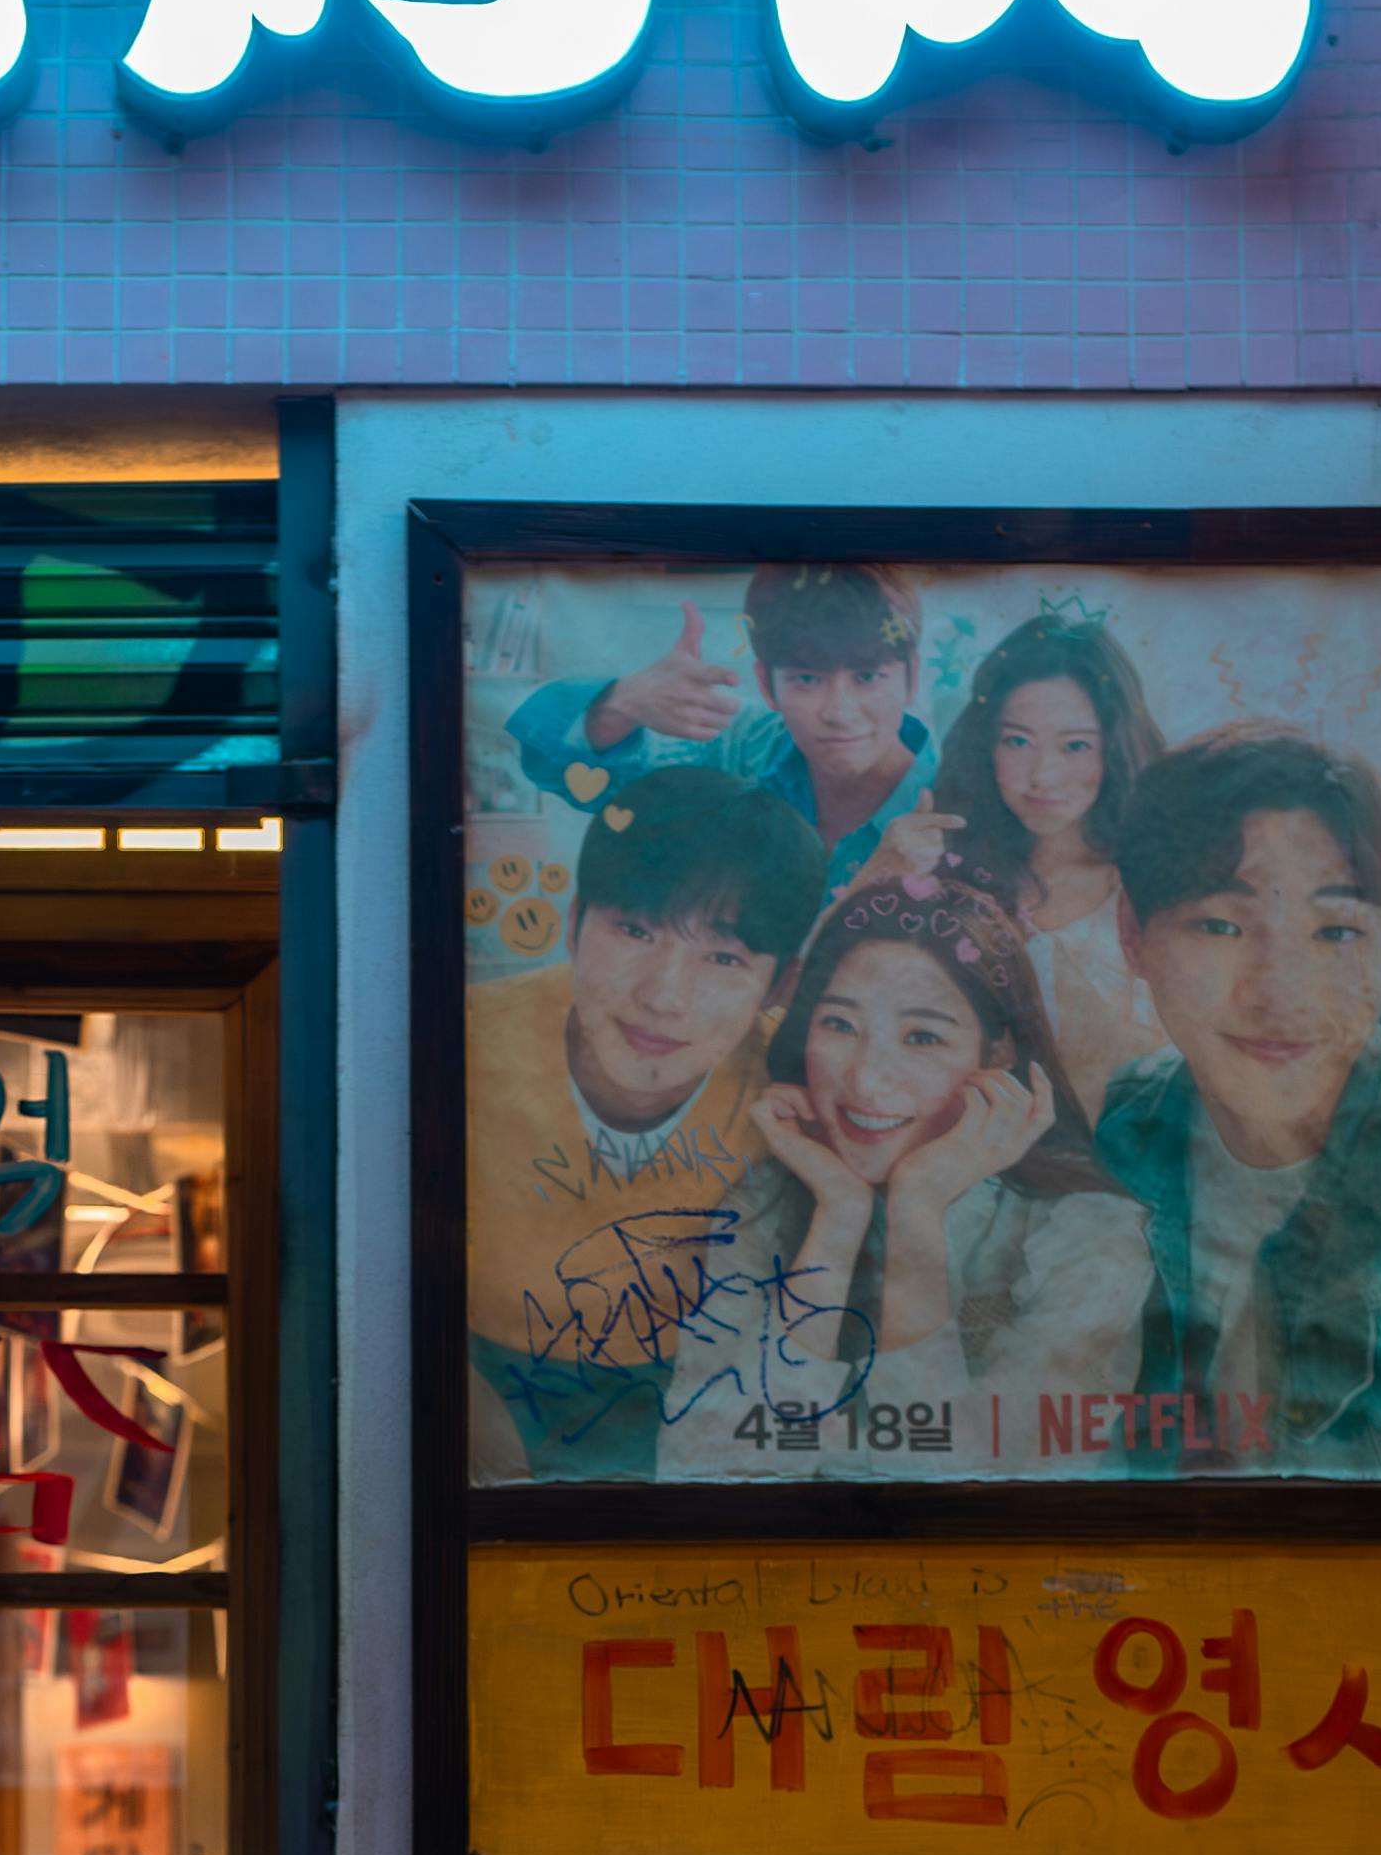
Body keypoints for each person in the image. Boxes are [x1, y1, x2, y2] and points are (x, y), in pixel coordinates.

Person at [1096, 724, 1381, 1477]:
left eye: (1336, 931)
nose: (1280, 990)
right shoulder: (1128, 1132)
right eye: (1222, 925)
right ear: (1133, 932)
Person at [662, 877, 1152, 1477]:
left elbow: (980, 1496)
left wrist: (916, 1212)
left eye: (922, 1037)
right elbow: (703, 1472)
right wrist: (837, 1221)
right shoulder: (763, 1202)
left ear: (996, 1055)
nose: (866, 1079)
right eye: (839, 1025)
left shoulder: (1089, 1232)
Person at [467, 764, 834, 1479]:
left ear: (780, 983)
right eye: (635, 930)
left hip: (707, 1413)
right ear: (573, 926)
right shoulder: (463, 1049)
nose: (665, 997)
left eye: (724, 956)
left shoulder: (803, 1087)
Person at [865, 607, 1166, 1120]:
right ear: (987, 744)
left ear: (1114, 749)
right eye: (1017, 741)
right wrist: (877, 880)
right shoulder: (942, 872)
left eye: (1075, 746)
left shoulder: (1159, 883)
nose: (1042, 777)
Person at [504, 563, 936, 896]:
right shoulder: (741, 747)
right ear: (767, 684)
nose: (839, 712)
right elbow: (550, 761)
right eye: (807, 679)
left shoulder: (971, 797)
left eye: (867, 677)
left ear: (911, 679)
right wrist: (623, 703)